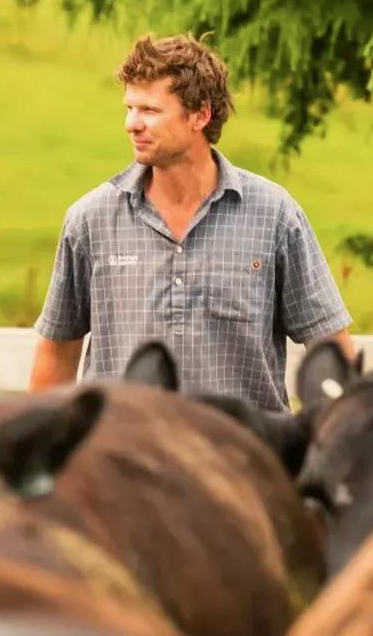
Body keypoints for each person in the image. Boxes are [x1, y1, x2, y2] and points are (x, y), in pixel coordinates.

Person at [28, 33, 356, 412]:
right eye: (130, 108)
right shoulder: (90, 220)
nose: (131, 124)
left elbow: (331, 349)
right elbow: (56, 355)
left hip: (242, 460)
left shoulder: (275, 215)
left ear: (200, 115)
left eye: (149, 110)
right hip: (125, 460)